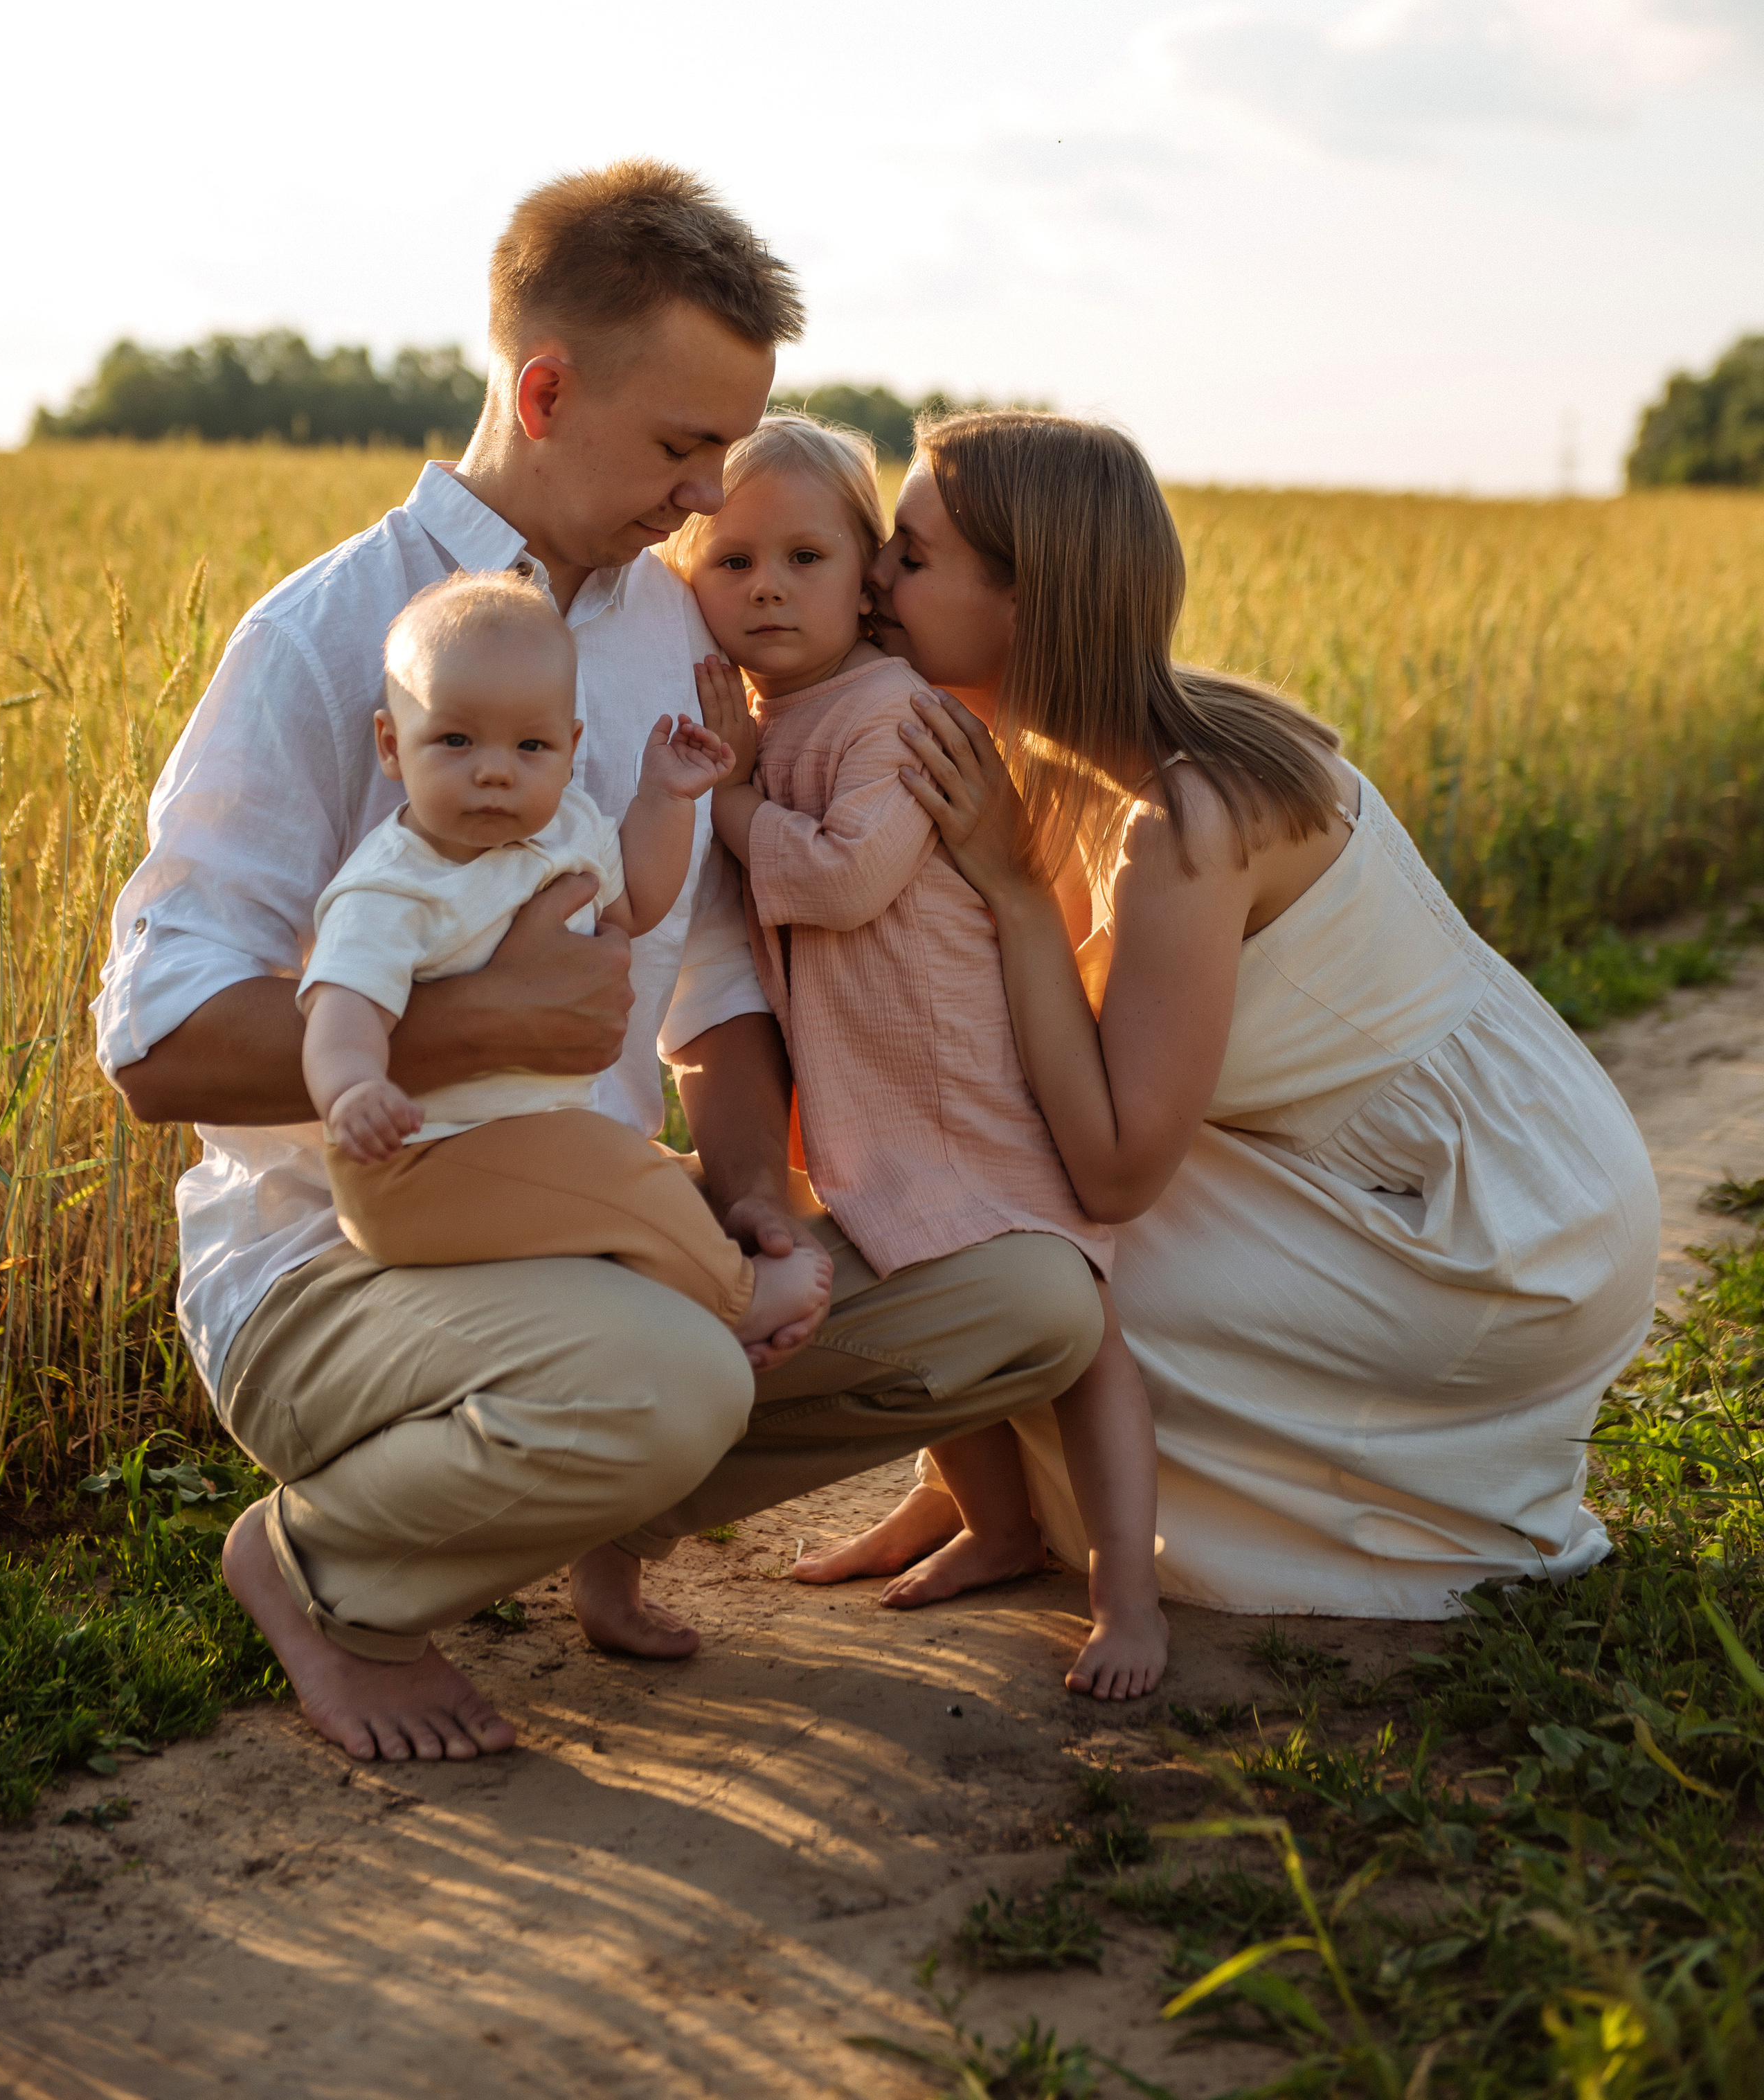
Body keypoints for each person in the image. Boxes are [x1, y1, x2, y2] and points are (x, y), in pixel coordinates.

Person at [98, 163, 1104, 1766]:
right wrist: (457, 1025)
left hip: (601, 1245)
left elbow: (707, 964)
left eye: (727, 445)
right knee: (665, 1378)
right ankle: (320, 1564)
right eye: (680, 444)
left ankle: (587, 1473)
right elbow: (151, 1042)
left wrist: (745, 1182)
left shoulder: (664, 633)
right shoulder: (321, 638)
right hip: (341, 1268)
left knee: (1031, 1300)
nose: (711, 494)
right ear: (545, 389)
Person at [800, 411, 1661, 1621]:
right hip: (1384, 1161)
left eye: (912, 553)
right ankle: (984, 1493)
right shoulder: (1057, 751)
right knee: (978, 1176)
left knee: (1032, 1250)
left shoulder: (1187, 813)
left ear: (1026, 601)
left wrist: (1011, 890)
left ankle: (1046, 1510)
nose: (874, 576)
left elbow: (1110, 1169)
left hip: (1495, 1224)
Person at [674, 415, 1165, 1698]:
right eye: (731, 562)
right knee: (956, 1331)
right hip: (888, 1102)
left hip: (970, 1089)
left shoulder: (893, 713)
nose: (769, 584)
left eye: (809, 555)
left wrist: (723, 795)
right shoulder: (783, 714)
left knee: (1085, 1342)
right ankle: (996, 1525)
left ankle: (1129, 1593)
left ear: (862, 574)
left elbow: (842, 879)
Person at [299, 568, 832, 1354]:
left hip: (522, 1144)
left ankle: (668, 1302)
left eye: (531, 745)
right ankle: (736, 1296)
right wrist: (353, 1090)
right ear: (391, 745)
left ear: (570, 748)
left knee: (621, 1179)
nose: (494, 769)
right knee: (625, 1174)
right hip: (417, 1168)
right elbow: (341, 1008)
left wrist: (665, 799)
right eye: (455, 740)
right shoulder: (395, 887)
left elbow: (632, 909)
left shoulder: (567, 832)